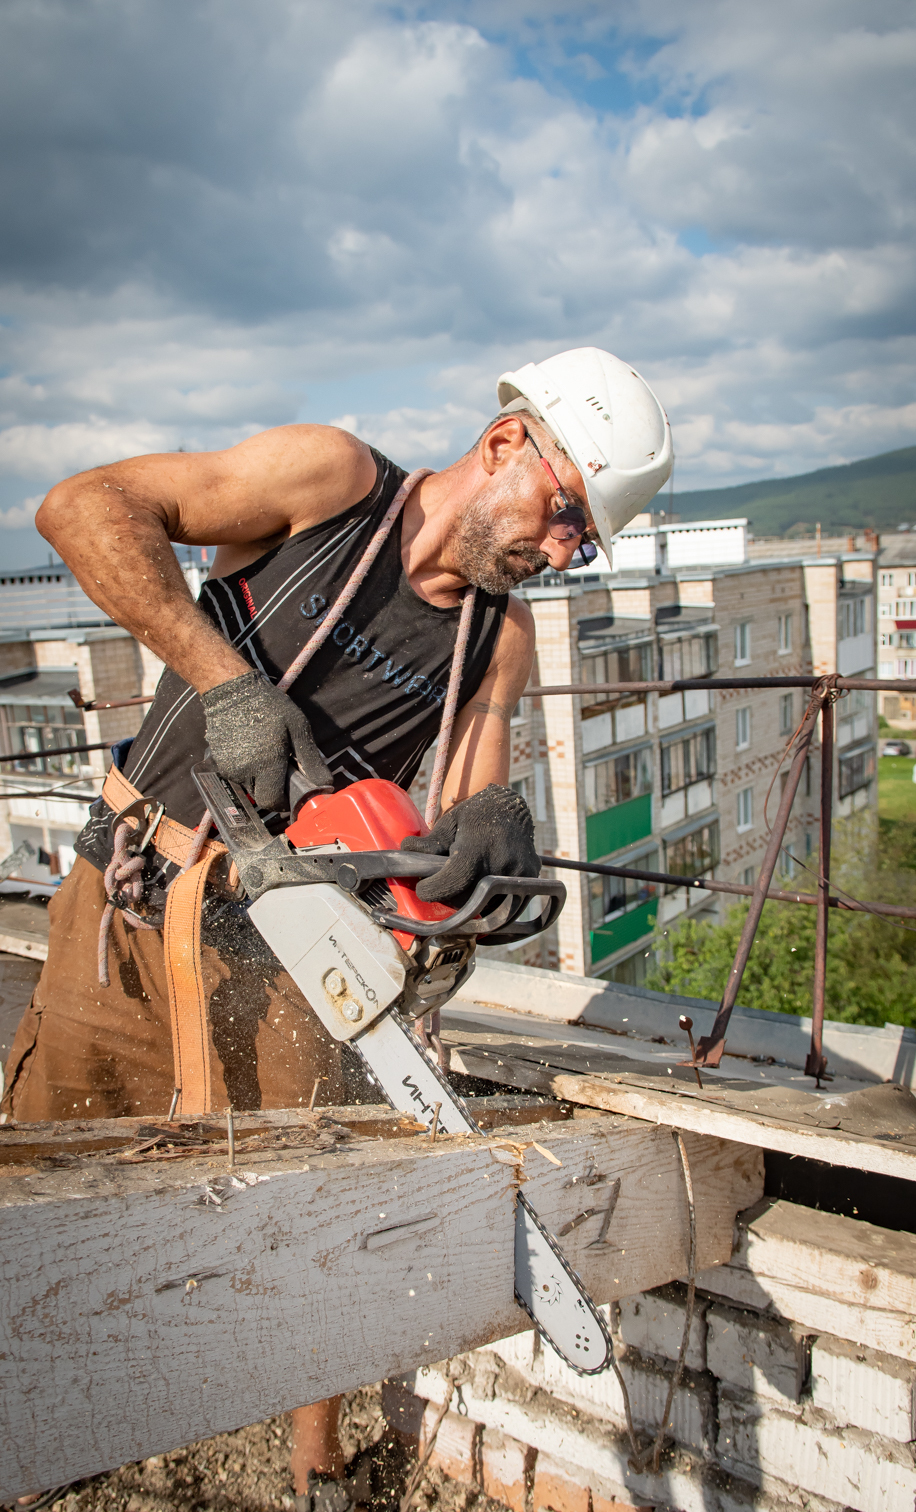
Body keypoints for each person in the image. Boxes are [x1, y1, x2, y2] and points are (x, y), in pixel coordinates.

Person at [2, 348, 671, 1508]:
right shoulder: (331, 484)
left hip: (298, 947)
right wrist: (224, 681)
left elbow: (464, 796)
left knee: (315, 1183)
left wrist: (492, 829)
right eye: (567, 512)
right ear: (507, 441)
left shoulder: (492, 642)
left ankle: (315, 1464)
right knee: (43, 1155)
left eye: (585, 541)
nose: (562, 552)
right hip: (134, 897)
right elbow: (82, 509)